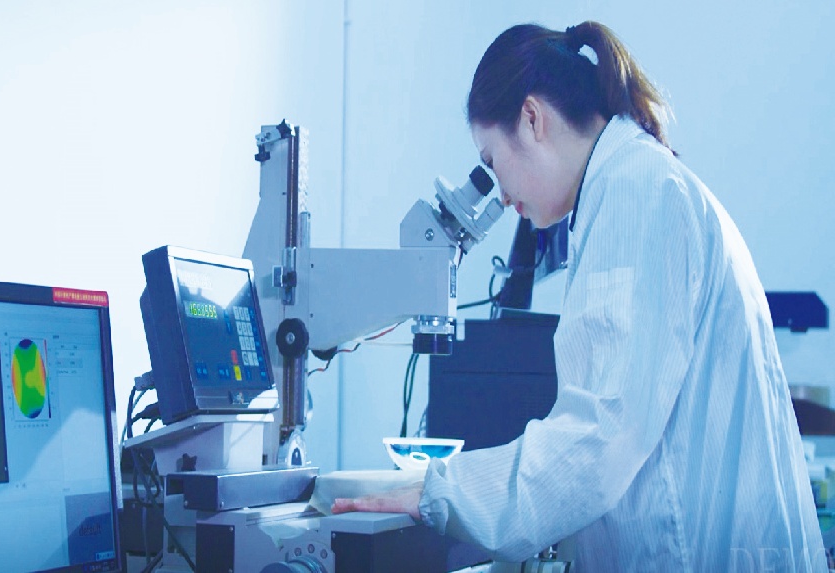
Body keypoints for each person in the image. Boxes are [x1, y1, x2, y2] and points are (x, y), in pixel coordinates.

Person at [333, 21, 827, 571]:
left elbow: (599, 438)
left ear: (531, 118)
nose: (502, 197)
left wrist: (438, 492)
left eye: (492, 162)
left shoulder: (634, 193)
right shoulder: (637, 181)